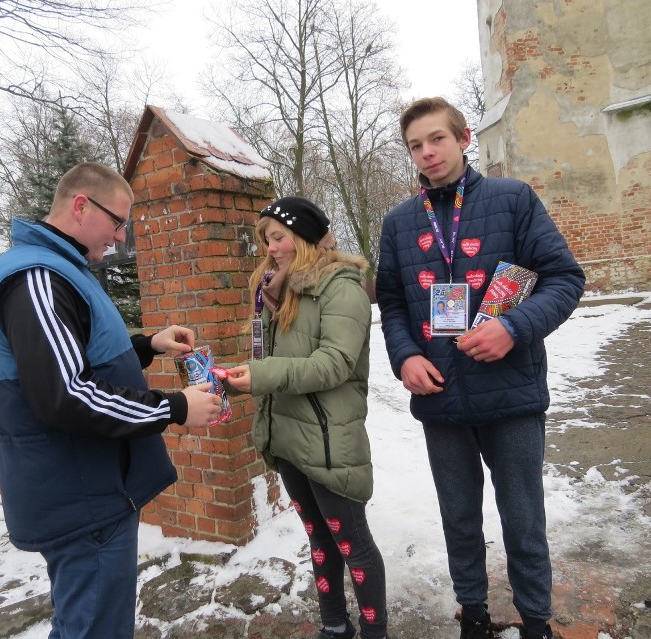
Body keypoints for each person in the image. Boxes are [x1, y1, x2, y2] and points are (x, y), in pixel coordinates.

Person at [0, 162, 222, 639]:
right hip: (82, 494)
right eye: (117, 221)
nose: (121, 236)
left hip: (91, 486)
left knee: (89, 621)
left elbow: (77, 358)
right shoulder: (37, 278)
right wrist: (174, 407)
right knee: (94, 628)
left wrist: (148, 344)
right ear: (81, 205)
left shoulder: (62, 268)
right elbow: (66, 394)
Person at [375, 98, 585, 639]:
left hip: (510, 394)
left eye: (436, 139)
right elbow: (393, 304)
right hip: (440, 397)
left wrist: (512, 328)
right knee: (459, 520)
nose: (427, 153)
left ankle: (535, 621)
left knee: (523, 520)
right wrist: (405, 358)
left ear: (464, 137)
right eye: (416, 145)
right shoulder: (398, 223)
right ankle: (473, 615)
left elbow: (564, 278)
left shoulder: (513, 200)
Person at [223, 197, 390, 639]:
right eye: (266, 240)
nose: (271, 248)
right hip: (286, 437)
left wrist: (260, 375)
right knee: (319, 539)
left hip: (329, 442)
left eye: (278, 238)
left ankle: (377, 633)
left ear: (305, 237)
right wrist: (240, 377)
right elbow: (270, 356)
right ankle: (335, 625)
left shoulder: (342, 288)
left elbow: (333, 363)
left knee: (353, 545)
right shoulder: (273, 290)